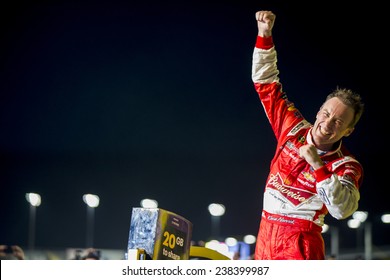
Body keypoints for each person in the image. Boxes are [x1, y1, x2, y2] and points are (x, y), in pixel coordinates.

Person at [251, 10, 364, 260]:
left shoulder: (347, 165)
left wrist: (317, 164)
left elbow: (343, 209)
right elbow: (266, 84)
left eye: (338, 122)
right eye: (325, 114)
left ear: (348, 131)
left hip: (301, 242)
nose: (327, 123)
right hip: (265, 231)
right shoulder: (292, 126)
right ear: (318, 111)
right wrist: (265, 35)